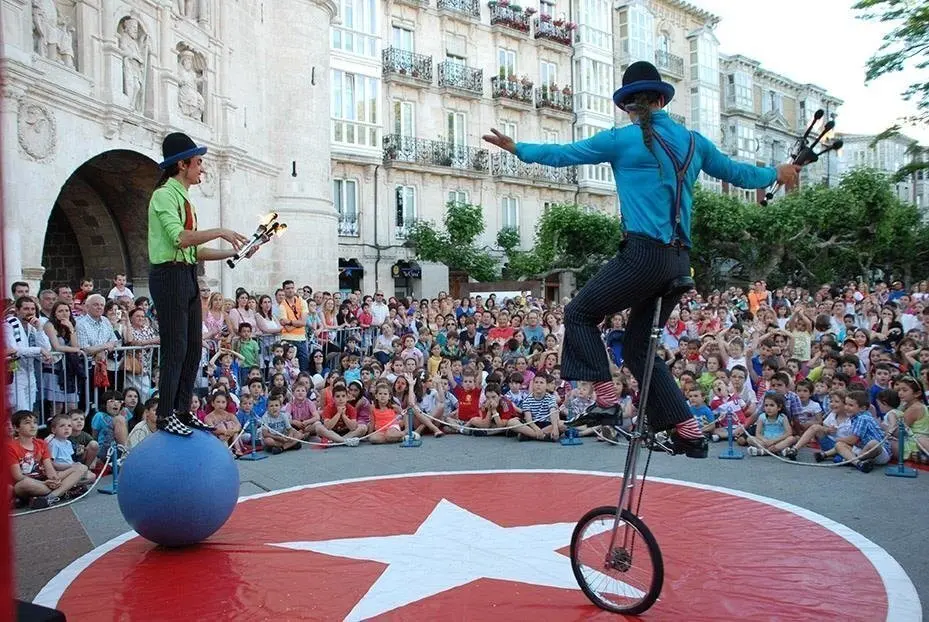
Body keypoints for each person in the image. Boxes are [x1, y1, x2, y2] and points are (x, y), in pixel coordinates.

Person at [484, 61, 801, 458]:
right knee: (637, 347)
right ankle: (686, 428)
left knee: (579, 314)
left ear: (629, 105)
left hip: (643, 256)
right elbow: (739, 174)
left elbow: (566, 153)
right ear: (660, 100)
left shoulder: (623, 140)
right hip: (678, 262)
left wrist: (519, 148)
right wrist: (778, 171)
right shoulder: (693, 141)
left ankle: (605, 398)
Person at [148, 132, 248, 436]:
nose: (202, 167)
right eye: (198, 161)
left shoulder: (183, 197)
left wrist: (234, 251)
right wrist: (220, 231)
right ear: (182, 165)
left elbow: (193, 249)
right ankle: (165, 414)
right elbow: (181, 238)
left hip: (187, 274)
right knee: (175, 348)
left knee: (194, 348)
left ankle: (182, 410)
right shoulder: (164, 194)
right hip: (169, 276)